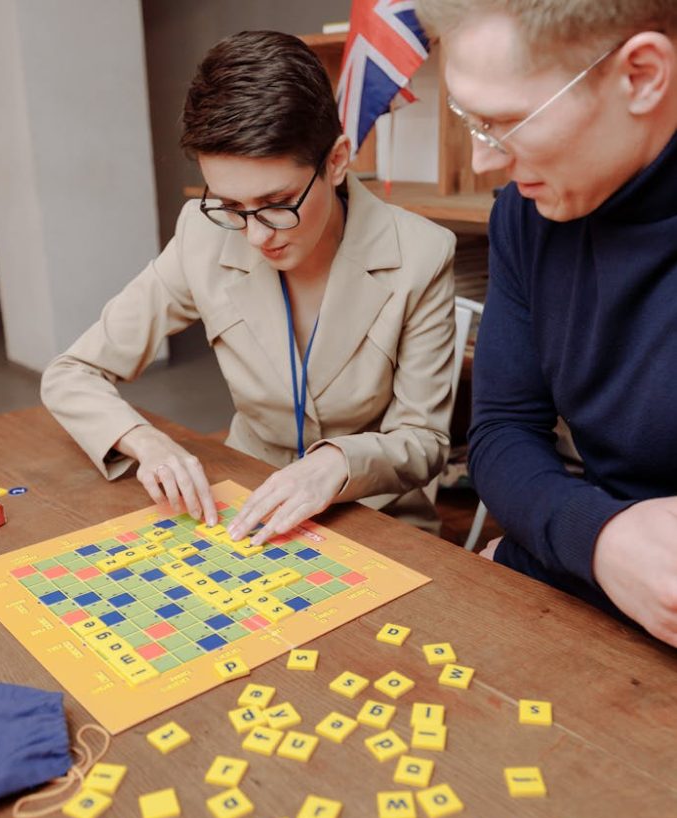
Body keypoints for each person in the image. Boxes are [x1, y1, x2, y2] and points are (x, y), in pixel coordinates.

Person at [41, 29, 455, 543]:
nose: (256, 236)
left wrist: (336, 466)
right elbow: (72, 373)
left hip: (375, 515)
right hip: (241, 501)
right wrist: (145, 441)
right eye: (231, 206)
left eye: (278, 202)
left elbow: (425, 441)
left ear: (337, 160)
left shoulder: (421, 253)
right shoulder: (203, 232)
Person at [416, 0, 677, 645]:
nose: (482, 164)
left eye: (506, 122)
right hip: (596, 561)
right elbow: (502, 431)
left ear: (642, 75)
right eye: (470, 120)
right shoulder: (526, 218)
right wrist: (600, 538)